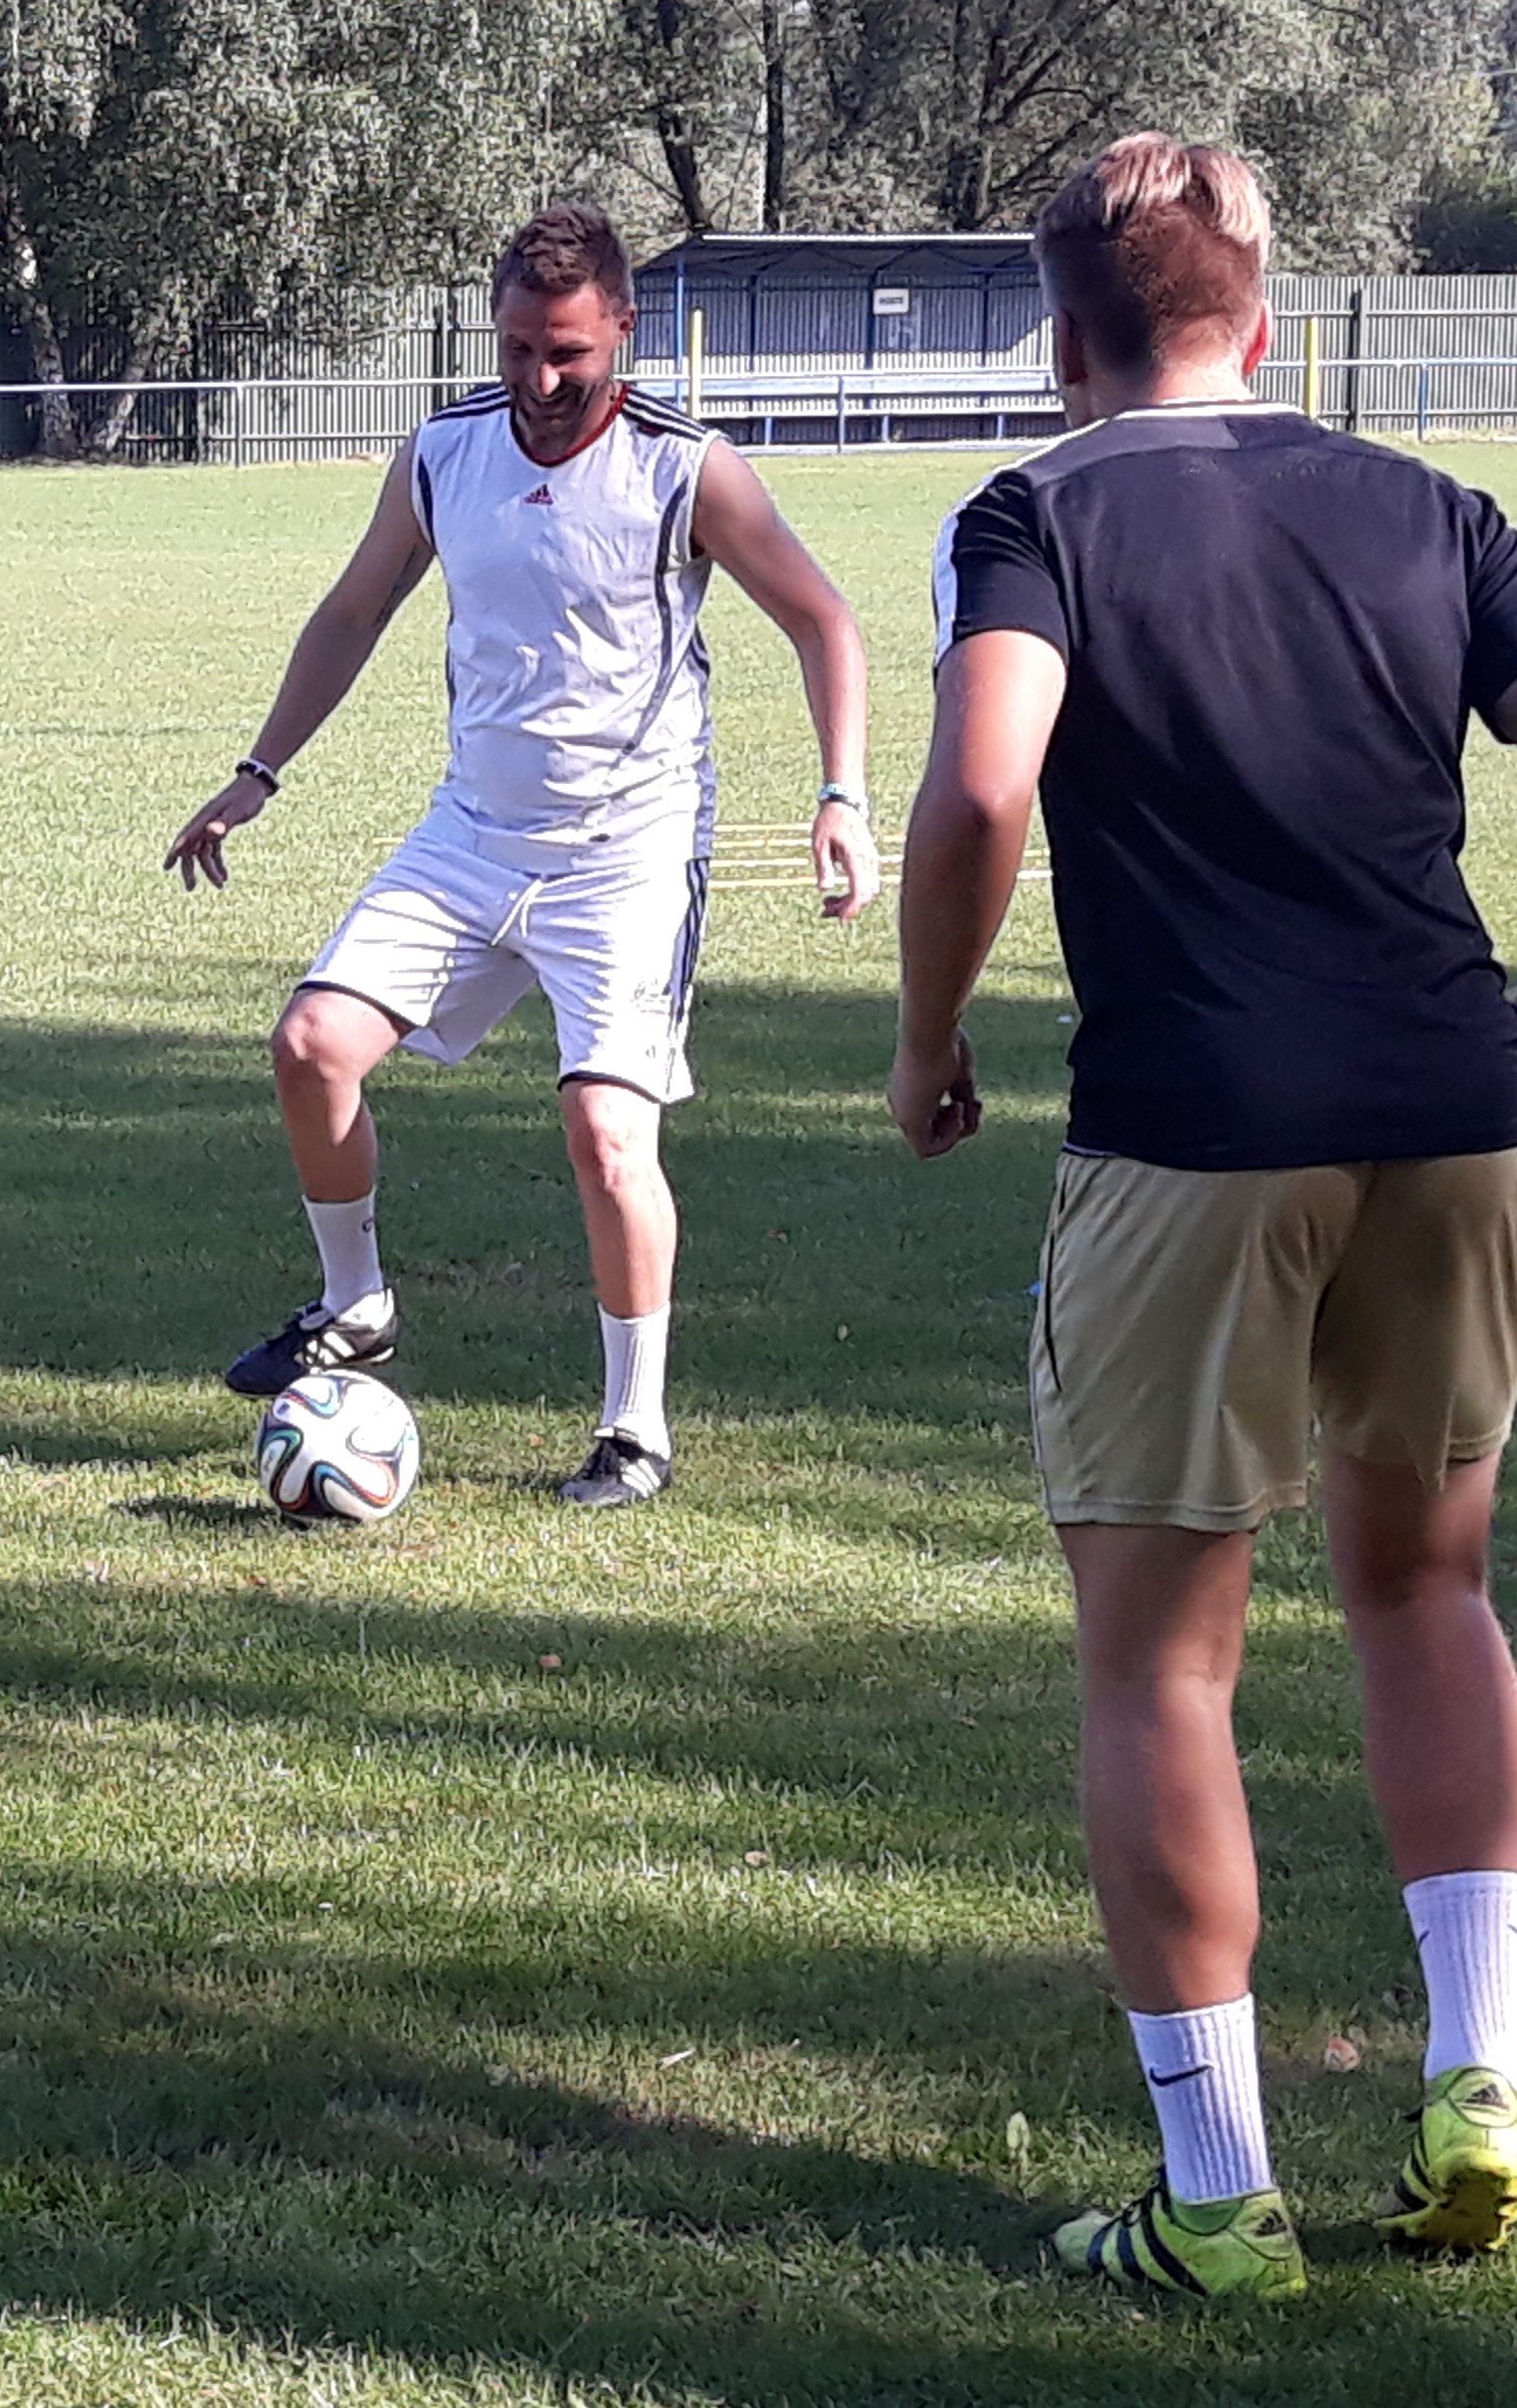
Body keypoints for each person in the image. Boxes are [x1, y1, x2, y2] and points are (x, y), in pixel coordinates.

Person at [894, 132, 1517, 2299]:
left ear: (1059, 340)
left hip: (1192, 1130)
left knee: (1157, 1657)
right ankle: (1479, 2082)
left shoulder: (1033, 514)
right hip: (1456, 1106)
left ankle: (1217, 2198)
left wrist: (925, 1034)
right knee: (1426, 1589)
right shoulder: (1434, 509)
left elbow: (983, 784)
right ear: (1263, 316)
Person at [166, 202, 873, 1506]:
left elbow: (824, 621)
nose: (541, 383)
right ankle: (355, 1304)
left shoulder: (685, 468)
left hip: (628, 850)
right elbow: (353, 611)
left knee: (606, 1132)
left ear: (623, 331)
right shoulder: (445, 454)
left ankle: (634, 1432)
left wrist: (842, 793)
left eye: (568, 355)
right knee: (310, 1045)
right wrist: (256, 773)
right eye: (517, 352)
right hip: (472, 833)